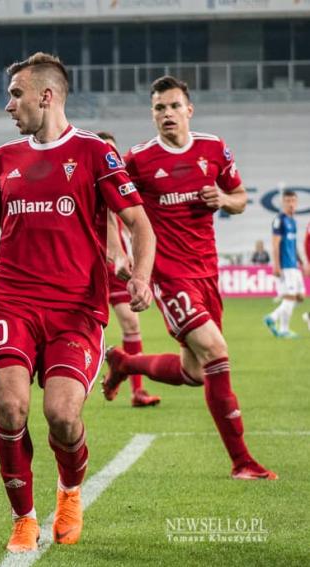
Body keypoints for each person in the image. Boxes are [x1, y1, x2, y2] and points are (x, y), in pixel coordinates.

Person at [0, 53, 155, 553]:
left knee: (62, 415)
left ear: (46, 95)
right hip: (11, 301)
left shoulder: (95, 153)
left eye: (16, 94)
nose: (8, 104)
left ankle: (70, 491)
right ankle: (24, 517)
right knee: (12, 407)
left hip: (76, 309)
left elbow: (139, 222)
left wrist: (141, 276)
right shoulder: (3, 159)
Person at [102, 75, 277, 481]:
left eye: (174, 106)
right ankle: (242, 462)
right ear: (153, 114)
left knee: (196, 373)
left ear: (189, 109)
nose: (167, 114)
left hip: (207, 274)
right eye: (159, 108)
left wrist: (225, 199)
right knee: (217, 353)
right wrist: (118, 252)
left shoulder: (214, 149)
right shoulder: (138, 160)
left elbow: (241, 198)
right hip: (168, 274)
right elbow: (108, 202)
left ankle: (126, 362)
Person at [97, 131, 160, 408]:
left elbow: (131, 224)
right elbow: (109, 224)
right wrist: (118, 253)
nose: (109, 155)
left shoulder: (121, 183)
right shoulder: (87, 181)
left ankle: (137, 389)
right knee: (85, 331)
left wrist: (126, 256)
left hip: (115, 268)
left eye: (113, 150)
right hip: (88, 267)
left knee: (131, 322)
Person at [264, 190, 304, 338]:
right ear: (283, 202)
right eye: (287, 201)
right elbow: (275, 244)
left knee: (299, 296)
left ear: (297, 202)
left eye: (293, 200)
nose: (291, 204)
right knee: (290, 297)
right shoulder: (279, 220)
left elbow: (293, 245)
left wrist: (302, 262)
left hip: (294, 265)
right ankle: (275, 321)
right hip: (285, 266)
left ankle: (280, 325)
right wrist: (276, 266)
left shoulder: (293, 221)